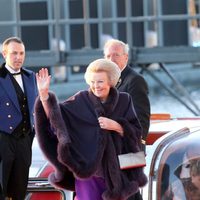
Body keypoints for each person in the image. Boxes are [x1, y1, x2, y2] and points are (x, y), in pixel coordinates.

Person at [34, 58, 147, 200]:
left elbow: (136, 133)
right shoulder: (80, 100)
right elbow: (56, 120)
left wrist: (117, 126)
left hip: (121, 170)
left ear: (110, 82)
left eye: (100, 81)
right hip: (90, 171)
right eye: (92, 82)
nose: (96, 86)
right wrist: (44, 96)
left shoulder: (125, 100)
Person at [0, 37, 38, 200]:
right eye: (14, 53)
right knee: (1, 187)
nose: (18, 57)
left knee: (20, 188)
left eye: (21, 53)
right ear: (4, 54)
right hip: (3, 139)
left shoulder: (31, 77)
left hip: (24, 139)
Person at [103, 39, 151, 148]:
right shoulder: (103, 81)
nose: (112, 60)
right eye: (108, 56)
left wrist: (136, 145)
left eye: (116, 55)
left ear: (126, 57)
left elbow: (141, 119)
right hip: (109, 147)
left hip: (128, 147)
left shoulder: (135, 80)